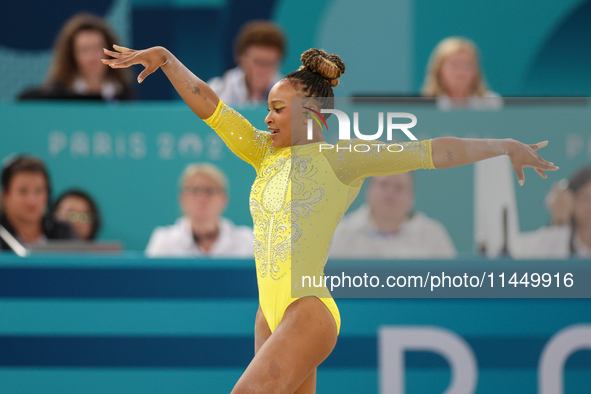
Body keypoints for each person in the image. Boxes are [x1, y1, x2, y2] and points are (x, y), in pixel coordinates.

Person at [102, 43, 557, 393]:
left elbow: (433, 151)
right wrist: (165, 58)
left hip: (308, 309)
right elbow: (212, 106)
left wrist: (503, 146)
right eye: (268, 109)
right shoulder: (263, 153)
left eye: (278, 109)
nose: (268, 117)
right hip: (269, 313)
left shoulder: (343, 158)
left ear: (312, 114)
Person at [330, 172, 456, 259]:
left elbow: (451, 285)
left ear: (412, 195)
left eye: (399, 187)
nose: (390, 193)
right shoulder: (341, 233)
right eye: (383, 184)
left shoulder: (432, 235)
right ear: (369, 189)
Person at [145, 163, 253, 257]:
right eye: (195, 190)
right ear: (182, 198)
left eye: (210, 190)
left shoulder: (248, 241)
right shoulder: (164, 241)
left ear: (224, 199)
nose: (202, 198)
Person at [19, 13, 133, 101]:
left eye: (97, 48)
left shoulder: (122, 94)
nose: (91, 56)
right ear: (72, 55)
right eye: (84, 50)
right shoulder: (57, 95)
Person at [0, 156, 76, 251]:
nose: (32, 200)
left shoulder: (62, 232)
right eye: (23, 191)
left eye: (39, 191)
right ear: (6, 194)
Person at [515, 167, 591, 258]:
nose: (589, 206)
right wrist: (560, 219)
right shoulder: (555, 238)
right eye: (584, 199)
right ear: (570, 201)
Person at [207, 20, 285, 106]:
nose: (263, 69)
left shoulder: (296, 98)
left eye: (270, 63)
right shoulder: (214, 93)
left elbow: (299, 119)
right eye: (258, 62)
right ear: (241, 59)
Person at [422, 37, 503, 110]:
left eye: (467, 65)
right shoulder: (424, 106)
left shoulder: (492, 104)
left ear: (476, 71)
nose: (461, 71)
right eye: (455, 65)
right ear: (439, 70)